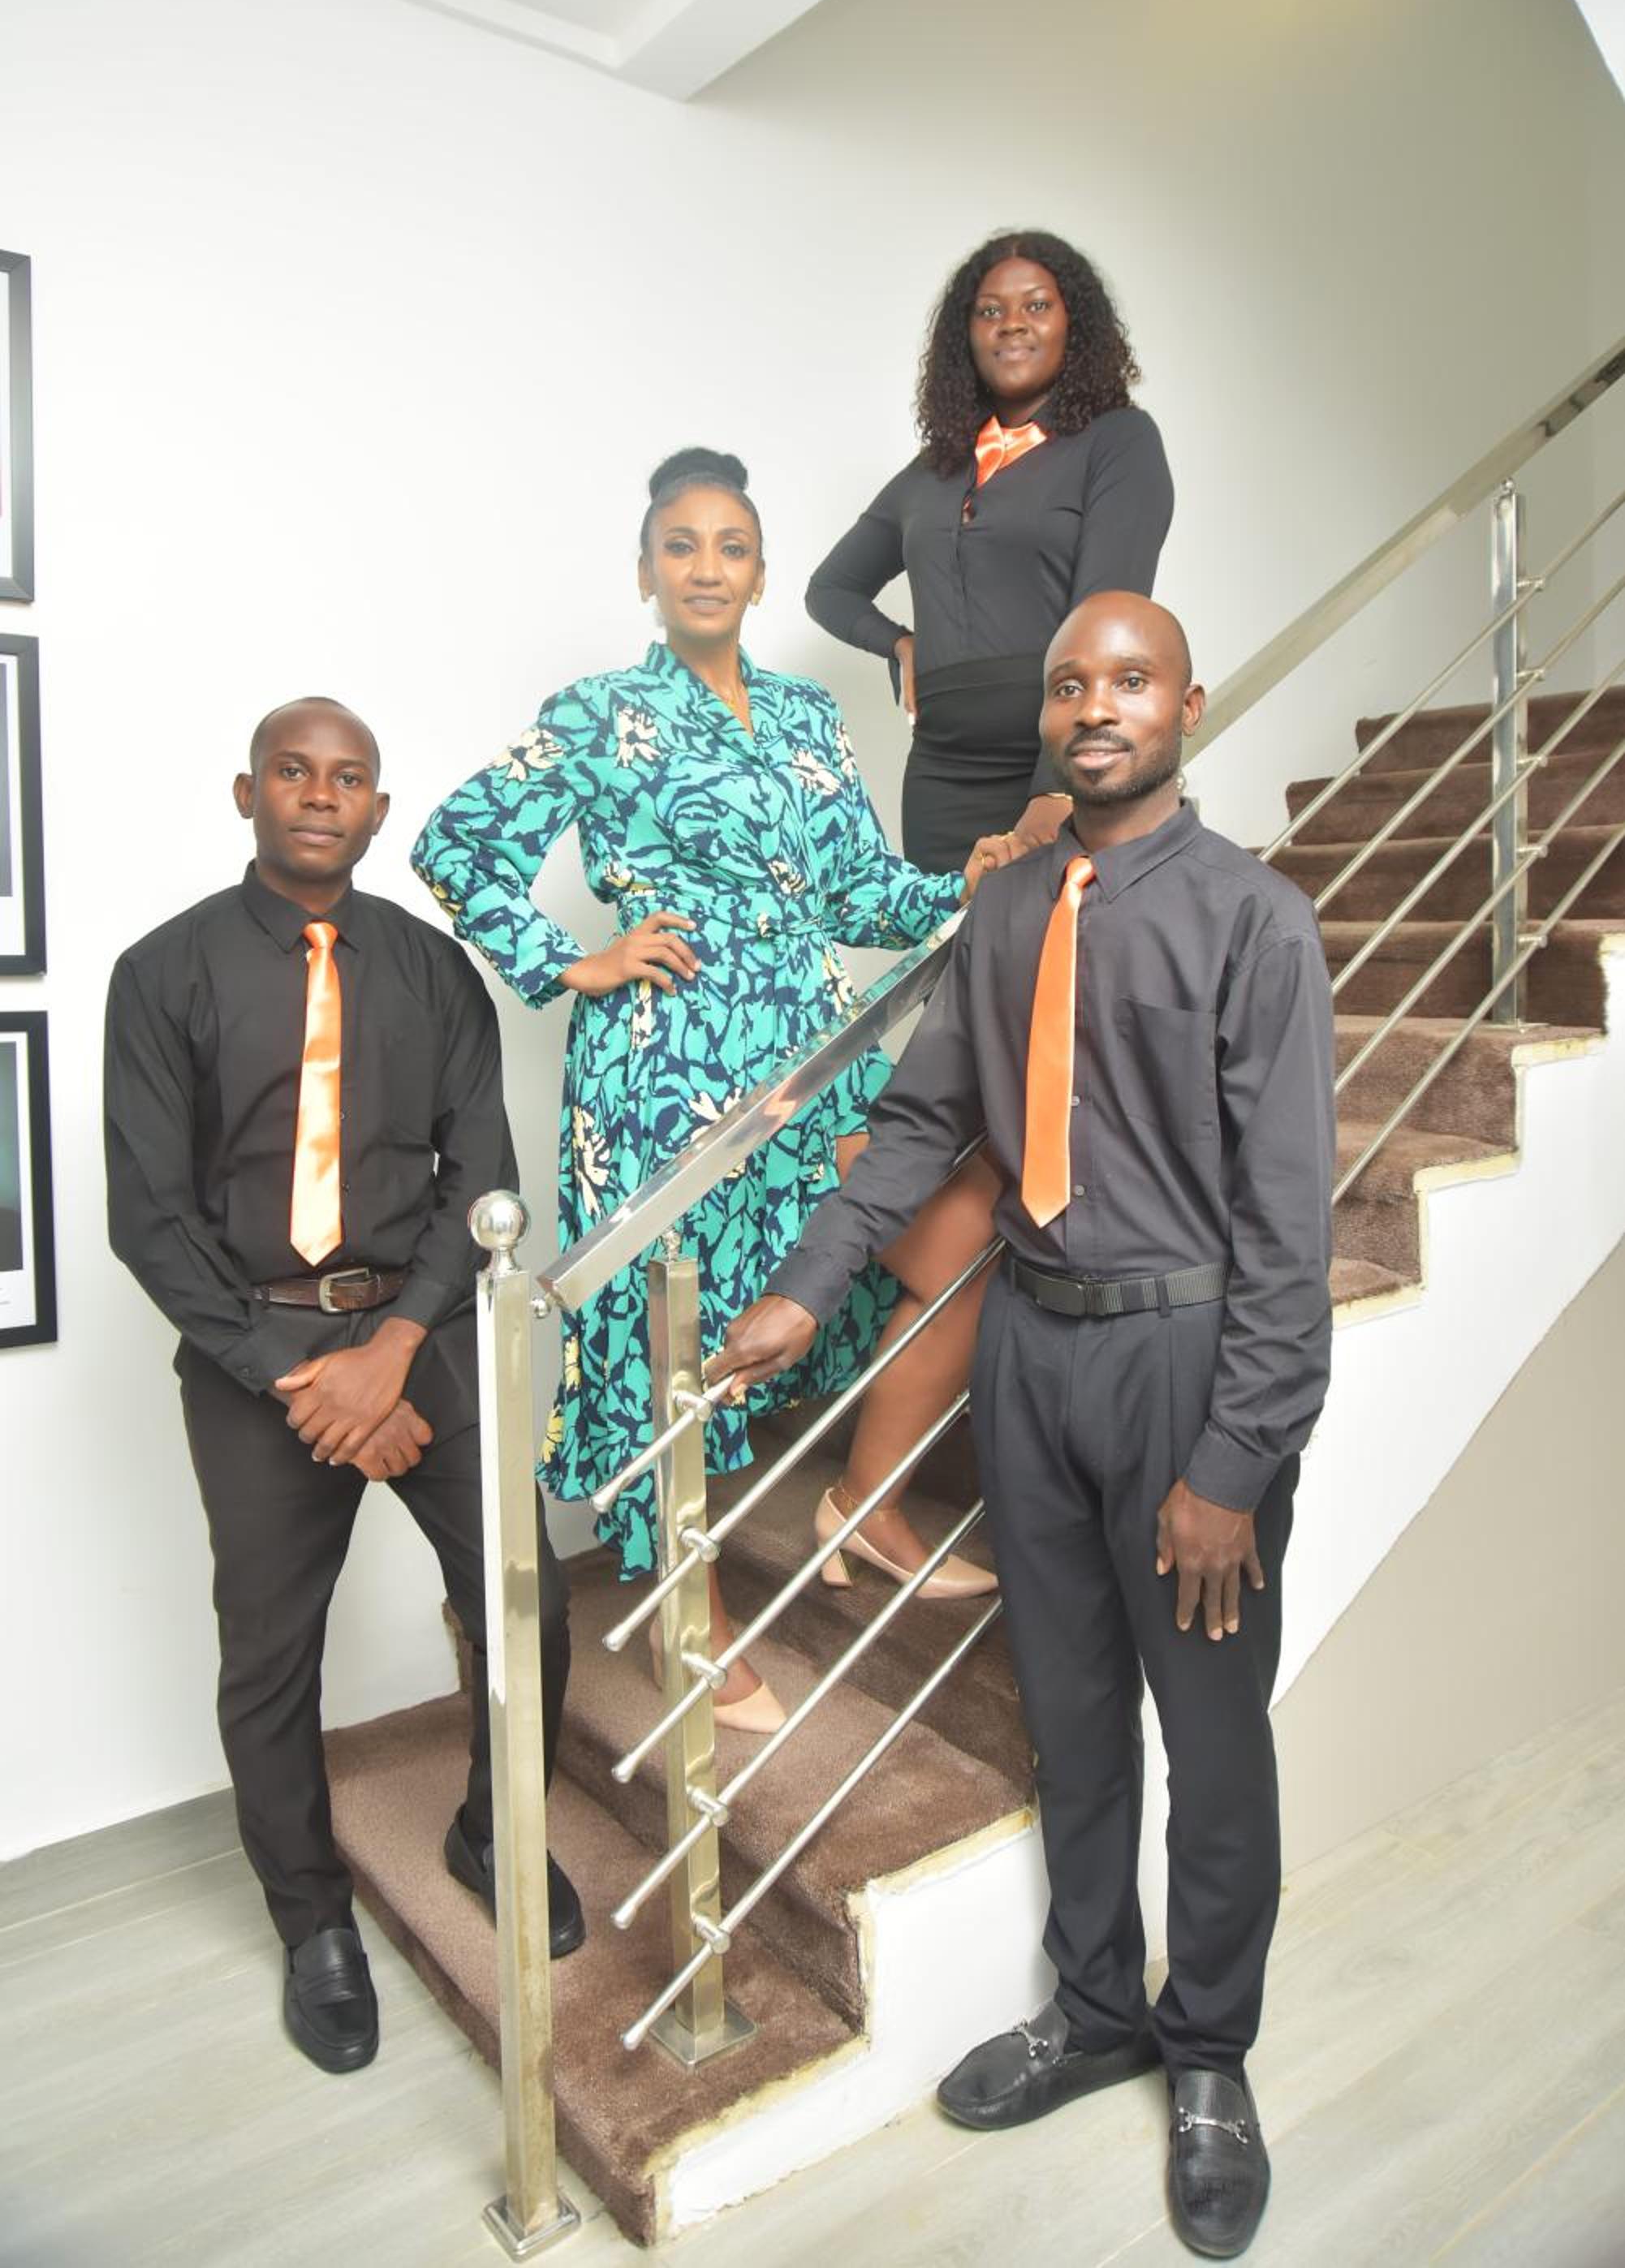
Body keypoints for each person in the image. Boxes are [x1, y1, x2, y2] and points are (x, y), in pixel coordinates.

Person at [713, 594, 1334, 2259]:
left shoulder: (1253, 921)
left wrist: (1233, 1461)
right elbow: (922, 1125)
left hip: (1183, 1364)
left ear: (1184, 704)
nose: (1093, 705)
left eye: (1127, 678)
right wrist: (803, 1289)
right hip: (1030, 1354)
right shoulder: (1001, 915)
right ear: (1047, 718)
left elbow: (1287, 1231)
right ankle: (1095, 2010)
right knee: (1069, 1716)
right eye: (1069, 684)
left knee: (1210, 1741)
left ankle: (1208, 2058)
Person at [412, 450, 1024, 1729]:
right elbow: (454, 843)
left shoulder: (806, 715)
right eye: (680, 546)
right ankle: (684, 1615)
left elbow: (859, 894)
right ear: (645, 573)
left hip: (810, 1058)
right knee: (670, 1335)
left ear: (757, 573)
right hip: (660, 1074)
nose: (706, 568)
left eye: (730, 547)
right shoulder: (597, 713)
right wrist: (570, 961)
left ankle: (864, 1499)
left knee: (960, 1237)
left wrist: (958, 883)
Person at [104, 697, 582, 2080]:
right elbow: (150, 1216)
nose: (320, 793)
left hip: (419, 1333)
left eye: (349, 777)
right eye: (293, 771)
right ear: (246, 793)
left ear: (378, 810)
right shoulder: (163, 973)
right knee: (270, 1657)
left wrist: (393, 1350)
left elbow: (481, 1182)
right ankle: (312, 1920)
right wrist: (296, 1376)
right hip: (253, 1353)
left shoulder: (434, 973)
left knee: (527, 1600)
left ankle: (493, 1830)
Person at [805, 230, 1175, 876]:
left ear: (1074, 325)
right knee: (948, 942)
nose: (1012, 324)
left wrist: (1057, 788)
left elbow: (1106, 622)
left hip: (1061, 760)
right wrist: (900, 644)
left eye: (1037, 305)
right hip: (941, 774)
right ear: (966, 336)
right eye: (990, 311)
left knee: (1063, 936)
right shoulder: (932, 471)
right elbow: (830, 589)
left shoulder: (1120, 442)